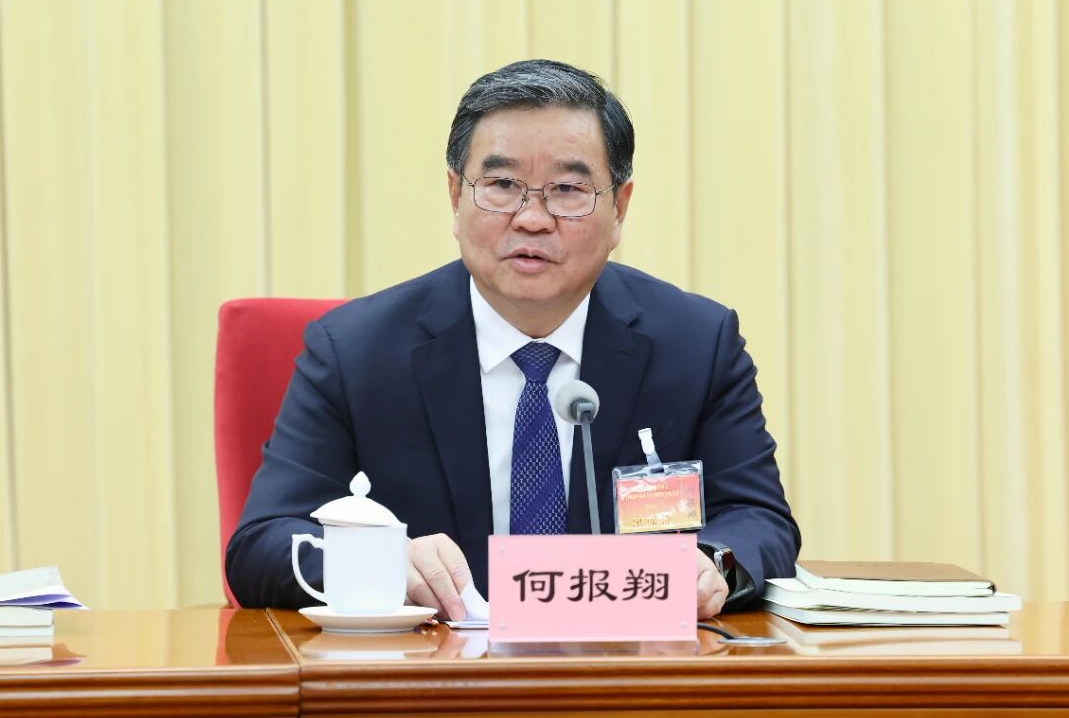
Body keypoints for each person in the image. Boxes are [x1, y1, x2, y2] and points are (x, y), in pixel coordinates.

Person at [226, 59, 800, 619]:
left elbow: (759, 521)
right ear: (456, 196)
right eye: (502, 185)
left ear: (620, 208)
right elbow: (262, 543)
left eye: (568, 189)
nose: (531, 218)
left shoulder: (697, 344)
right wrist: (379, 563)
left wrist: (709, 564)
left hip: (624, 668)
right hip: (431, 671)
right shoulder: (355, 352)